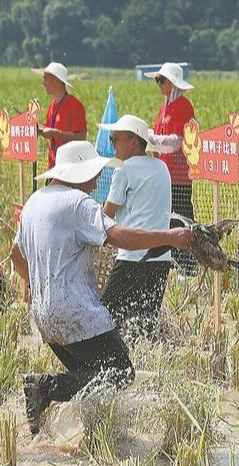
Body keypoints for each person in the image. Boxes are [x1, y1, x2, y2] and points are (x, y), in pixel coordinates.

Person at [11, 141, 193, 434]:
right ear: (79, 173)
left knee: (89, 375)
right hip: (76, 313)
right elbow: (119, 236)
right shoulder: (76, 203)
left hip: (44, 316)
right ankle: (44, 386)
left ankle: (85, 434)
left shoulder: (34, 202)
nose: (96, 183)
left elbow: (16, 255)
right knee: (120, 373)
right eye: (94, 175)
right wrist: (168, 237)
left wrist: (33, 283)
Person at [98, 114, 173, 342]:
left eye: (115, 139)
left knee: (105, 319)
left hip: (132, 258)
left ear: (133, 142)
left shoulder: (124, 169)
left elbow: (107, 214)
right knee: (144, 325)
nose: (112, 144)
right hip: (161, 259)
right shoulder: (162, 168)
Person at [144, 62, 197, 275]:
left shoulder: (183, 107)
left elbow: (176, 141)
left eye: (161, 80)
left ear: (172, 83)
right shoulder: (164, 106)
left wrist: (151, 138)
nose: (158, 84)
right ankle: (174, 263)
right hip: (164, 174)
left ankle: (187, 266)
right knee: (168, 219)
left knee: (182, 218)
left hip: (179, 176)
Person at [35, 62, 86, 169]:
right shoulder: (52, 105)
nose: (43, 83)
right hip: (53, 167)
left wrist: (55, 133)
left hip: (70, 169)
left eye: (46, 79)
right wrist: (35, 127)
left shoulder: (75, 106)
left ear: (56, 80)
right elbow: (48, 128)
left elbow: (81, 137)